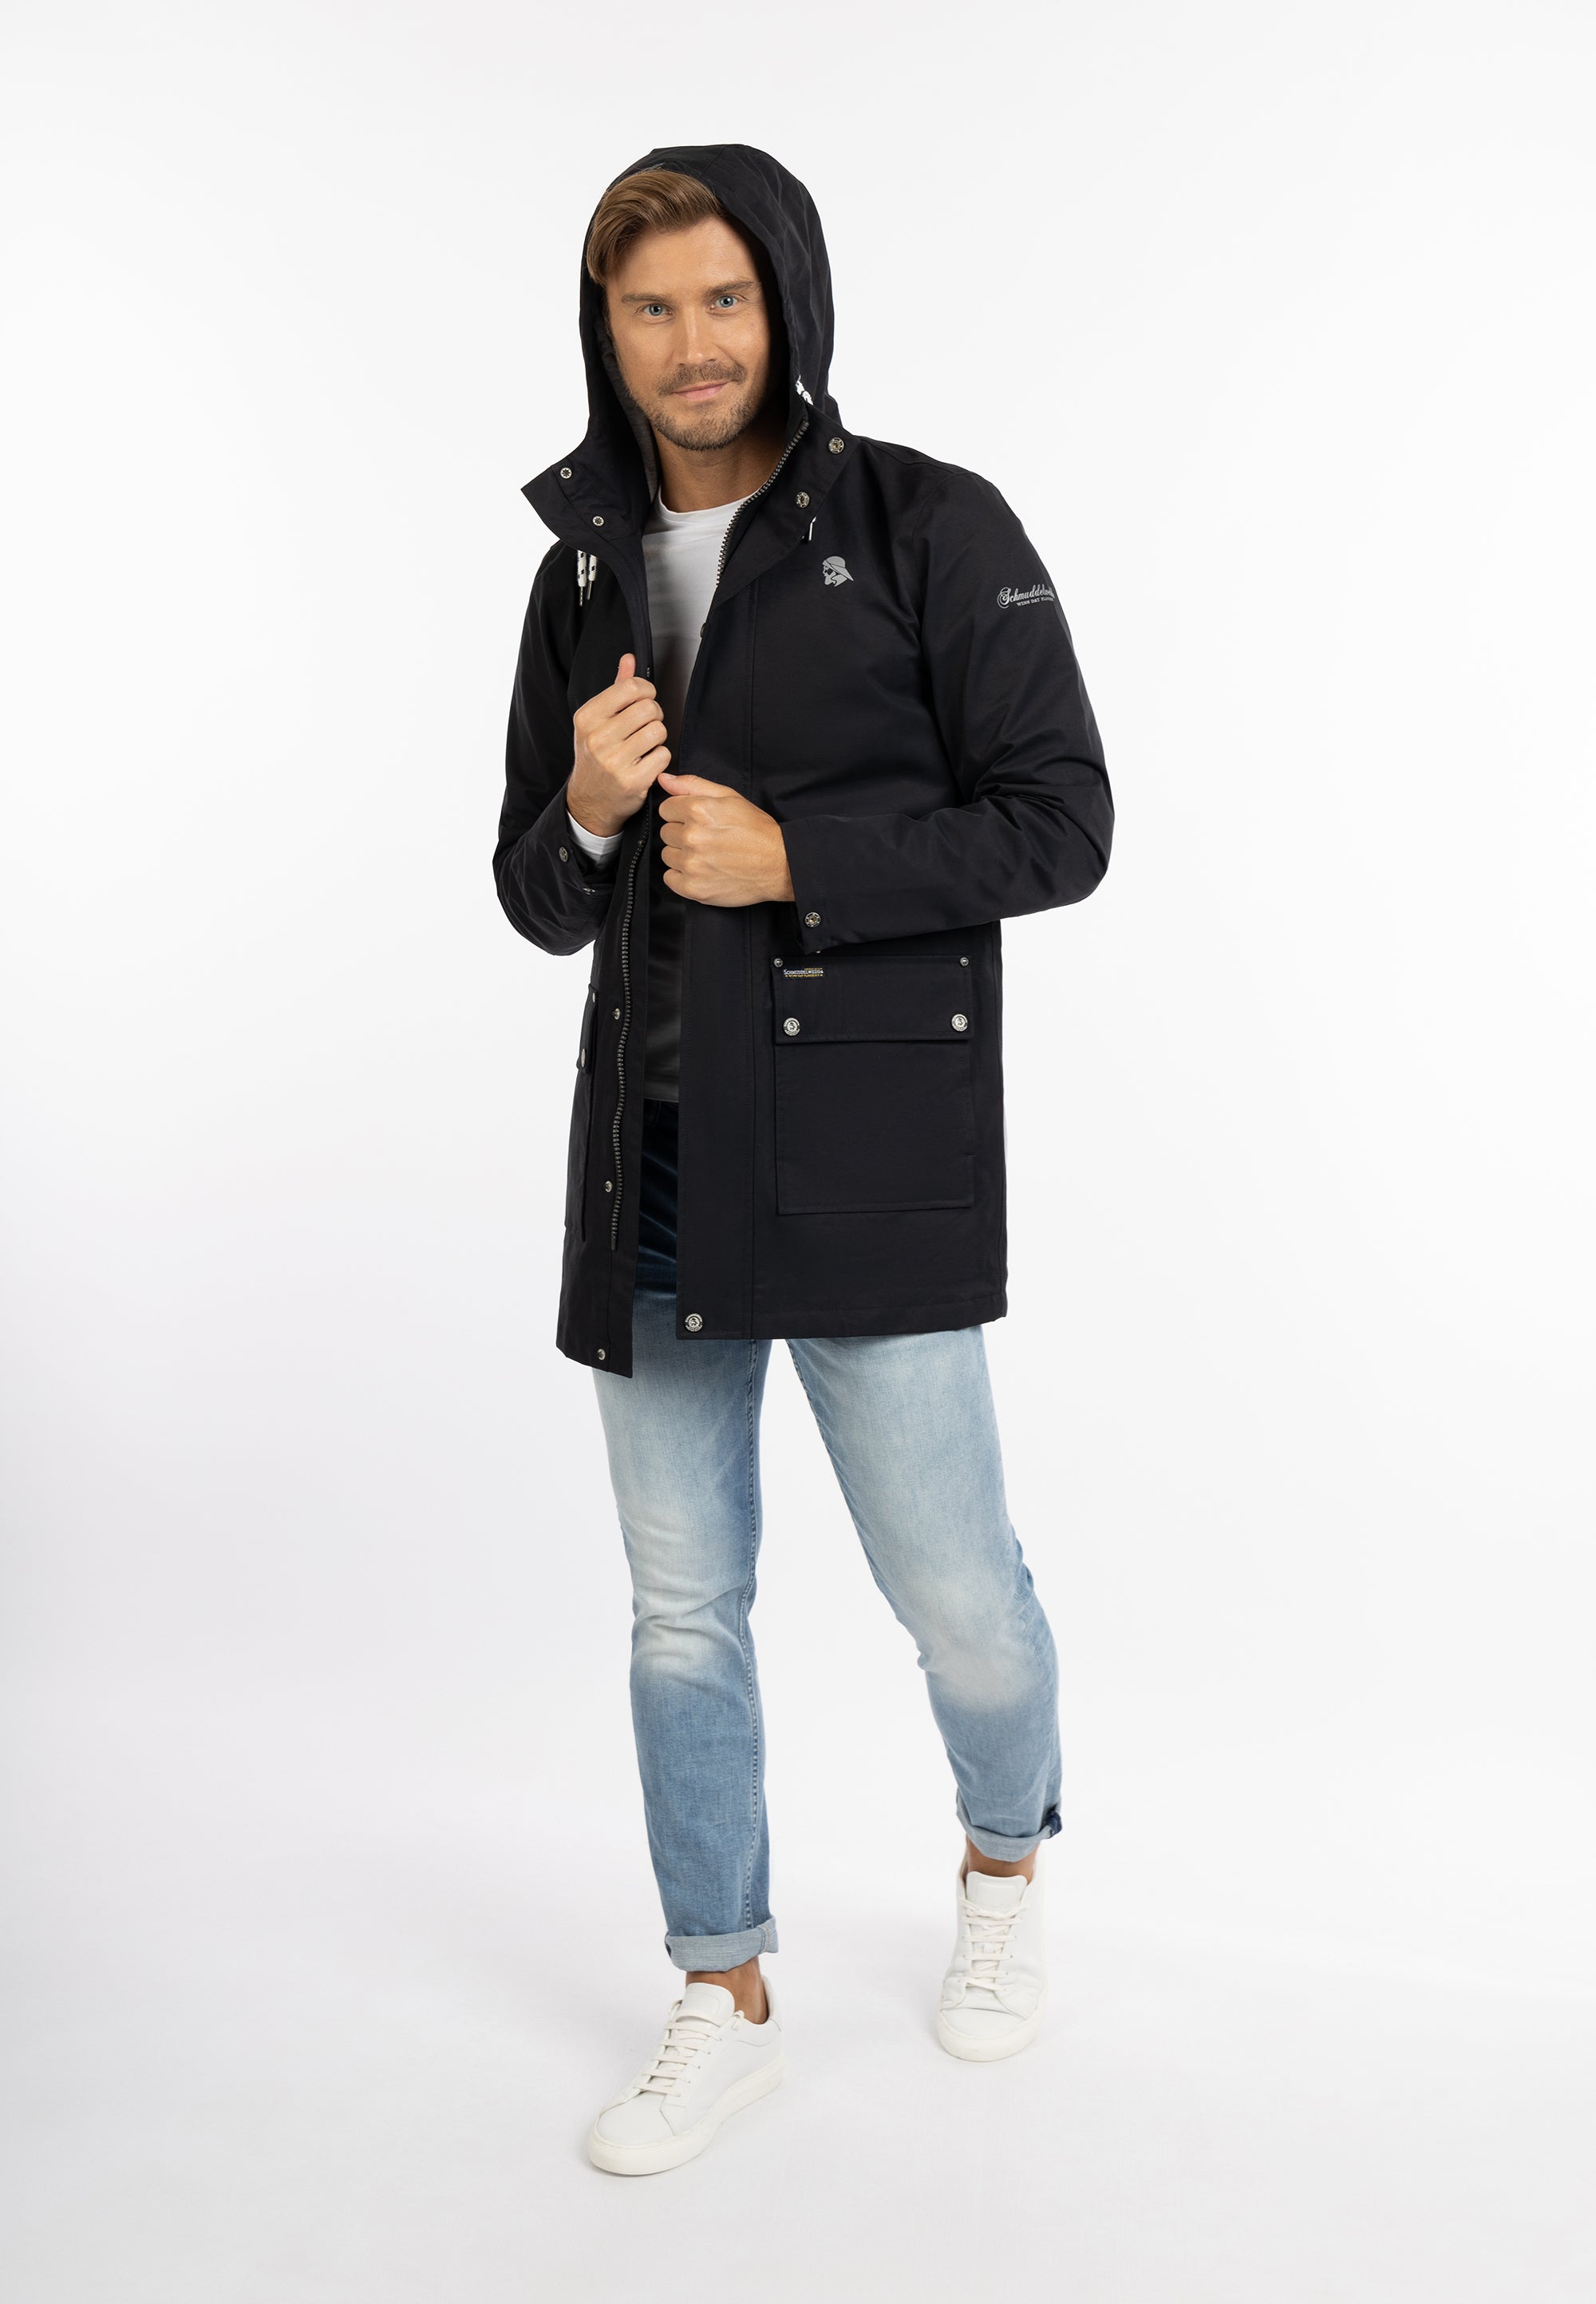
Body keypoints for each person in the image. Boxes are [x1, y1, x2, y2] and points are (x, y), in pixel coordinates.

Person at [493, 144, 1112, 2176]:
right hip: (654, 1172)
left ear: (786, 305)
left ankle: (1003, 1861)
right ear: (607, 333)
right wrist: (589, 812)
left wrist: (800, 862)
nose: (691, 345)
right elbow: (534, 898)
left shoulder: (930, 525)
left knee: (959, 1597)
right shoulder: (579, 573)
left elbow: (1063, 821)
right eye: (649, 308)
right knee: (682, 1611)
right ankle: (723, 1987)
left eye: (722, 300)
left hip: (862, 1159)